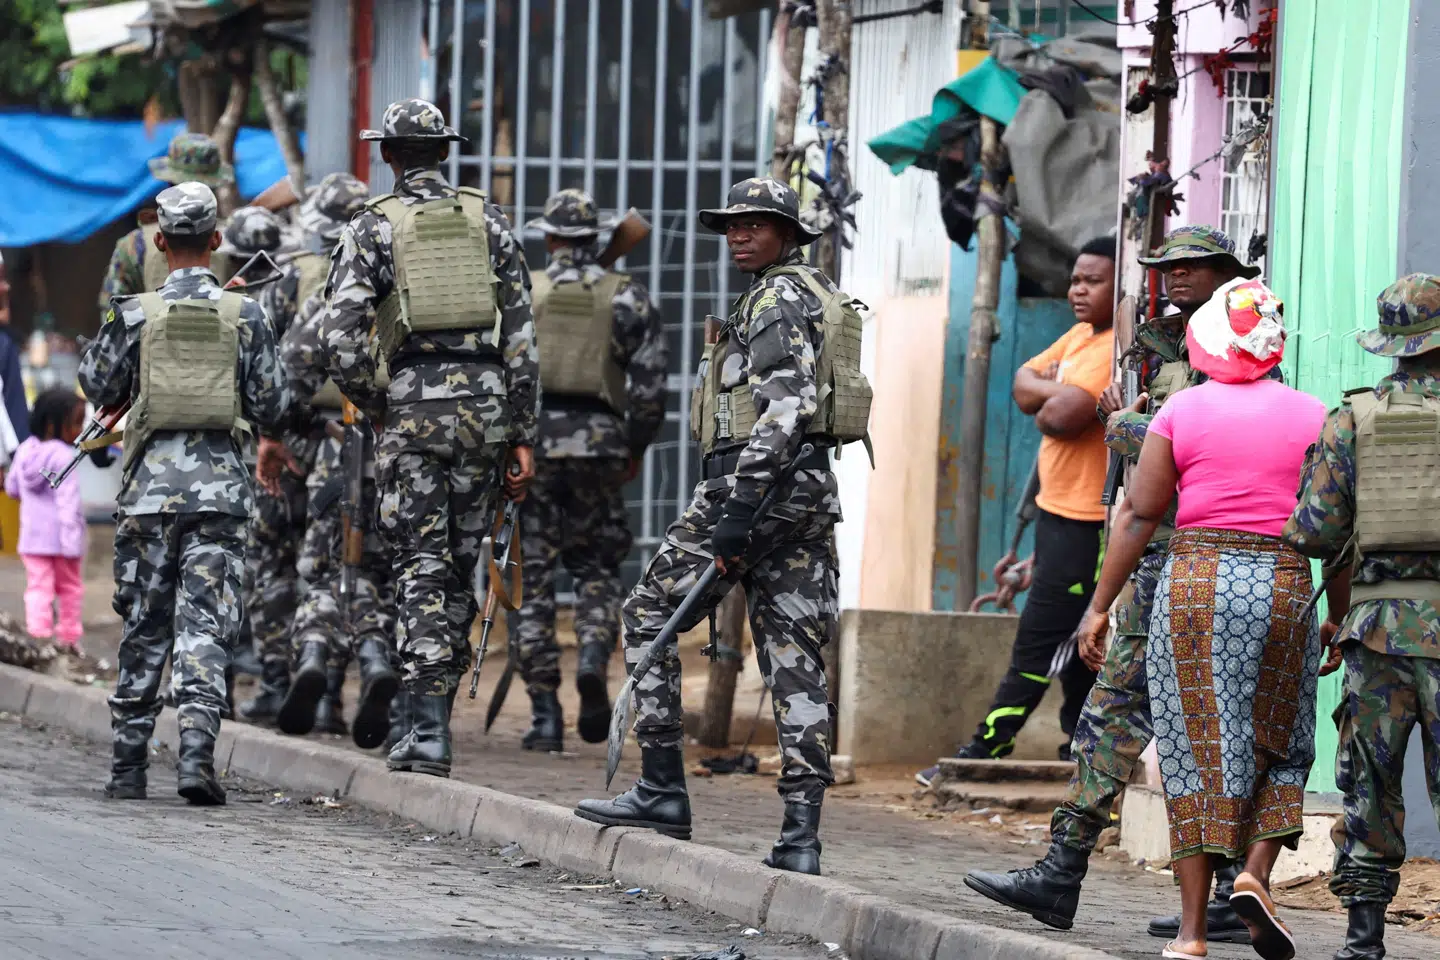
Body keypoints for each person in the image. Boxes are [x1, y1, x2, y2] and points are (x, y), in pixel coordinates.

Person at [965, 226, 1263, 941]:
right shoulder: (1161, 341)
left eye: (1195, 267)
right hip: (1154, 553)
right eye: (1170, 266)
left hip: (1210, 554)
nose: (1180, 278)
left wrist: (1126, 424)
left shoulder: (1249, 338)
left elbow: (1189, 435)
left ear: (1227, 272)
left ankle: (1227, 892)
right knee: (1112, 710)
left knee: (1216, 727)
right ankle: (1061, 872)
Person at [574, 177, 872, 877]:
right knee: (796, 659)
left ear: (787, 233)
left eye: (755, 225)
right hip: (806, 493)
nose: (738, 235)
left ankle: (660, 788)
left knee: (647, 611)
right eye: (731, 226)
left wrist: (738, 511)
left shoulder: (773, 299)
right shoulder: (818, 292)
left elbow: (787, 406)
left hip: (757, 485)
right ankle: (801, 835)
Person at [1073, 278, 1327, 960]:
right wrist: (1338, 613)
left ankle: (1190, 934)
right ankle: (1254, 872)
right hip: (1283, 582)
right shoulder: (1317, 416)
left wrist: (1099, 607)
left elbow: (1139, 513)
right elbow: (1340, 527)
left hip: (1195, 582)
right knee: (1283, 736)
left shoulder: (1180, 413)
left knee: (1194, 750)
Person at [317, 98, 537, 777]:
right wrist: (522, 430)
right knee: (466, 562)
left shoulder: (372, 228)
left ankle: (423, 731)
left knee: (419, 562)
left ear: (388, 155)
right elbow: (524, 335)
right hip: (487, 412)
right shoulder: (490, 222)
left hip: (412, 411)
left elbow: (339, 338)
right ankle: (434, 724)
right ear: (445, 151)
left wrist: (381, 403)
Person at [79, 181, 289, 805]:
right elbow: (275, 403)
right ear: (217, 241)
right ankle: (197, 756)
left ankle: (127, 768)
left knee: (145, 625)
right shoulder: (245, 313)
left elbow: (94, 379)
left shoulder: (134, 310)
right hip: (221, 493)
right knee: (205, 627)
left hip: (147, 494)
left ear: (161, 241)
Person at [918, 237, 1116, 785]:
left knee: (1043, 639)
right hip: (1057, 515)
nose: (1078, 289)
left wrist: (1051, 392)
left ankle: (985, 749)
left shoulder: (1112, 350)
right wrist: (1053, 391)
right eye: (1076, 278)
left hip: (1090, 525)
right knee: (1074, 645)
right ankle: (1078, 747)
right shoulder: (1081, 335)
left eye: (1093, 280)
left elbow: (1061, 417)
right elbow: (1022, 385)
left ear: (1117, 286)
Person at [1283, 274, 1440, 960]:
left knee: (1370, 784)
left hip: (1375, 632)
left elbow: (1315, 532)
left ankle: (1363, 942)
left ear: (1392, 348)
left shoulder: (1352, 420)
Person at [508, 188, 668, 751]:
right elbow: (650, 388)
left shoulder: (524, 291)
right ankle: (594, 662)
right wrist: (634, 448)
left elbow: (501, 372)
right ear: (596, 238)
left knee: (531, 581)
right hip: (599, 445)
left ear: (549, 237)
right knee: (598, 569)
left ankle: (546, 716)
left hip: (531, 449)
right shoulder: (627, 296)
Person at [261, 174, 407, 750]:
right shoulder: (422, 282)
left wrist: (286, 432)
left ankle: (319, 669)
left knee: (324, 569)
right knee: (393, 574)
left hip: (337, 447)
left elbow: (290, 371)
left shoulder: (333, 285)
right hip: (410, 451)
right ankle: (377, 663)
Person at [237, 176, 371, 731]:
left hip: (288, 440)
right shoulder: (382, 272)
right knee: (341, 562)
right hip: (356, 442)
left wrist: (277, 431)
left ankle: (274, 682)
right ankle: (329, 698)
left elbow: (266, 363)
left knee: (272, 559)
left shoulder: (291, 275)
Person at [96, 133, 236, 321]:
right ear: (214, 185)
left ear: (169, 181)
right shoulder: (236, 240)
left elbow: (111, 314)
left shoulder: (135, 244)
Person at [5, 389, 88, 651]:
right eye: (76, 422)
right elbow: (68, 503)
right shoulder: (64, 456)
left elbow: (12, 489)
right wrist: (72, 542)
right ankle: (68, 639)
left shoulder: (24, 450)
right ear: (53, 424)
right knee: (70, 589)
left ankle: (39, 637)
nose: (80, 429)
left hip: (32, 538)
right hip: (63, 541)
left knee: (38, 588)